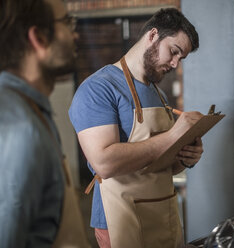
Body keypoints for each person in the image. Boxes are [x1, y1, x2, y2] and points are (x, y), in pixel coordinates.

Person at [69, 8, 203, 248]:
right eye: (173, 52)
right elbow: (104, 163)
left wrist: (185, 158)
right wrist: (173, 135)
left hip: (163, 213)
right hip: (120, 219)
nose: (175, 64)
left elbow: (160, 167)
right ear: (152, 36)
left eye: (180, 58)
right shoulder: (99, 89)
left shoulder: (158, 94)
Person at [0, 0, 89, 247]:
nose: (75, 34)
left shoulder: (32, 109)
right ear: (38, 38)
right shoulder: (20, 128)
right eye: (67, 22)